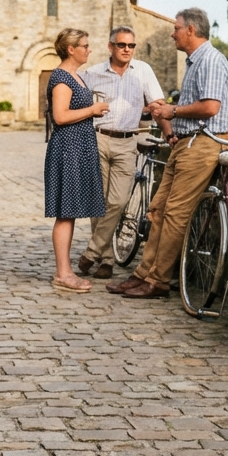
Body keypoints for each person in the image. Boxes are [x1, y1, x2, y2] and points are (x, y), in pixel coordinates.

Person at [108, 8, 228, 299]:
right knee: (158, 209)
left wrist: (172, 110)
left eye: (176, 28)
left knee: (176, 213)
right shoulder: (195, 62)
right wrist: (171, 120)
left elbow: (211, 107)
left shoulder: (211, 60)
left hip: (204, 144)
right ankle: (144, 274)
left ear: (190, 30)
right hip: (187, 142)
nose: (172, 32)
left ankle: (159, 281)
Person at [78, 26, 165, 279]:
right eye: (121, 45)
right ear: (110, 46)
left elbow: (157, 104)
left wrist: (159, 120)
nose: (127, 49)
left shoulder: (144, 71)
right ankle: (106, 261)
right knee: (99, 202)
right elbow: (76, 103)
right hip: (98, 139)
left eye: (131, 46)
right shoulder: (92, 74)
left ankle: (92, 251)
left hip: (128, 141)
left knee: (117, 200)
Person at [44, 28, 109, 294]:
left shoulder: (75, 76)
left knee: (69, 212)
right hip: (67, 150)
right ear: (71, 49)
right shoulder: (61, 77)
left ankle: (65, 271)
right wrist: (93, 109)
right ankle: (63, 273)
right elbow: (60, 116)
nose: (89, 49)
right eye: (85, 45)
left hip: (78, 148)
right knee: (65, 212)